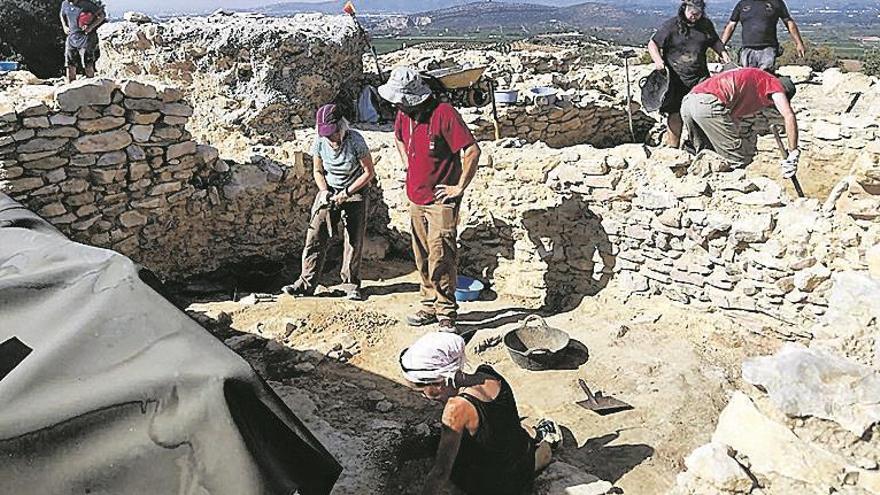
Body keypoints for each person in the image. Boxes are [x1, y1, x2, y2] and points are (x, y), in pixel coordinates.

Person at [378, 66, 481, 333]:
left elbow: (472, 151)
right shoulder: (404, 114)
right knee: (422, 253)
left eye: (401, 100)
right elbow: (399, 137)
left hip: (440, 201)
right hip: (416, 197)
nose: (397, 105)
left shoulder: (444, 114)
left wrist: (458, 187)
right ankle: (428, 303)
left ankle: (446, 311)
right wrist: (406, 165)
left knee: (441, 254)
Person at [399, 332, 562, 495]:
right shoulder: (489, 374)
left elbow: (441, 472)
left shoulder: (455, 409)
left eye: (422, 390)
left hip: (493, 487)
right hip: (519, 468)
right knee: (514, 430)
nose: (423, 396)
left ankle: (544, 448)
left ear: (439, 382)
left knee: (445, 452)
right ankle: (544, 446)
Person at [282, 104, 375, 301]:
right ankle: (306, 283)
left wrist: (347, 193)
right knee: (315, 234)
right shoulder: (320, 142)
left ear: (341, 127)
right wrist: (324, 191)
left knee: (353, 238)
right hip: (330, 189)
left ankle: (350, 283)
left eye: (333, 133)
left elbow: (368, 172)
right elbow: (318, 170)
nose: (330, 138)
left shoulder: (355, 140)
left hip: (354, 189)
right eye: (326, 134)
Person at [680, 67, 799, 177]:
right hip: (707, 104)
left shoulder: (754, 83)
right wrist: (793, 152)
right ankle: (732, 195)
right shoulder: (775, 84)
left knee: (705, 155)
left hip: (688, 102)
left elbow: (731, 120)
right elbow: (788, 115)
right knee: (736, 161)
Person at [647, 0, 731, 148]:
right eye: (692, 13)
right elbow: (653, 44)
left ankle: (699, 146)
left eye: (698, 14)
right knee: (674, 113)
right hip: (675, 78)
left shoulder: (705, 26)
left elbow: (715, 42)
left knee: (700, 112)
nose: (694, 17)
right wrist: (658, 62)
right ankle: (673, 147)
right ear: (684, 9)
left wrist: (724, 55)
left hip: (700, 78)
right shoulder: (671, 26)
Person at [720, 0, 806, 71]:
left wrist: (799, 43)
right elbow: (731, 26)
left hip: (768, 48)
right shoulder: (742, 4)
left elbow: (789, 22)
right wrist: (721, 46)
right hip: (747, 49)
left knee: (765, 78)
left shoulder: (776, 3)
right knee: (748, 79)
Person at [60, 0, 106, 82]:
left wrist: (91, 26)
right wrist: (65, 26)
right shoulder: (65, 4)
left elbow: (102, 15)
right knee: (70, 64)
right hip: (71, 37)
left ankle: (91, 85)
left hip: (86, 37)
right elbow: (62, 14)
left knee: (87, 63)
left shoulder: (87, 4)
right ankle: (70, 86)